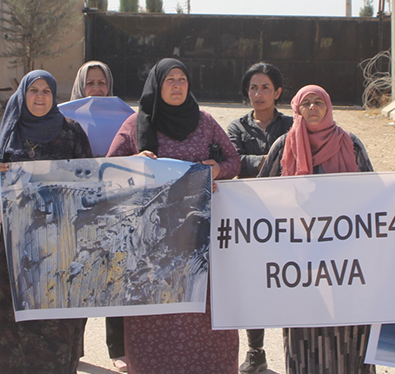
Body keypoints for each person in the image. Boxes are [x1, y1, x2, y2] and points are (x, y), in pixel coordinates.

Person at [106, 58, 241, 374]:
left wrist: (218, 170)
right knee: (156, 315)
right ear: (157, 85)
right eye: (170, 80)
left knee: (203, 314)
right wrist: (135, 163)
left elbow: (234, 159)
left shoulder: (205, 121)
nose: (178, 85)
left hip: (199, 243)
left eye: (182, 79)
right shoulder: (135, 126)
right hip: (151, 248)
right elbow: (109, 170)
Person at [257, 85, 374, 374]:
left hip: (346, 260)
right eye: (306, 103)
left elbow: (375, 193)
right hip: (300, 260)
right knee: (305, 330)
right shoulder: (285, 146)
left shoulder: (350, 143)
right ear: (296, 108)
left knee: (351, 328)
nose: (312, 108)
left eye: (318, 102)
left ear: (328, 106)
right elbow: (259, 196)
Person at [0, 70, 93, 374]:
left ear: (54, 96)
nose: (40, 96)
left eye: (47, 91)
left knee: (56, 311)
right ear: (23, 95)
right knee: (16, 311)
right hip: (18, 242)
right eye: (33, 90)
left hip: (60, 242)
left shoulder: (71, 132)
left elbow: (89, 180)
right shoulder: (11, 132)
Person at [225, 62, 292, 373]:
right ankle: (256, 351)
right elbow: (233, 162)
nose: (258, 93)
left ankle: (296, 351)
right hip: (250, 218)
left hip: (290, 216)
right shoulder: (236, 128)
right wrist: (271, 158)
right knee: (253, 284)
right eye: (253, 87)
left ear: (277, 92)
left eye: (265, 87)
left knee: (292, 282)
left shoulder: (294, 125)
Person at [69, 60, 127, 371]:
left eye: (101, 82)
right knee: (78, 277)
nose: (96, 88)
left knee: (115, 276)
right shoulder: (63, 119)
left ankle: (118, 348)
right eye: (90, 83)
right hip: (78, 209)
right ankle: (73, 347)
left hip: (116, 206)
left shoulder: (127, 117)